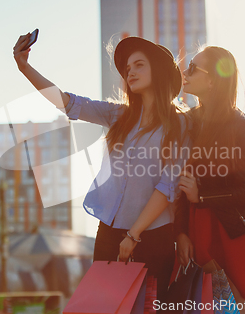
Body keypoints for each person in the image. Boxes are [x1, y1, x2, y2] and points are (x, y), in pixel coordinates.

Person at [13, 33, 190, 300]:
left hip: (154, 237)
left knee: (149, 308)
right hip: (110, 233)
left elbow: (167, 186)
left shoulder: (180, 125)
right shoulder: (119, 115)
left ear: (160, 70)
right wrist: (24, 67)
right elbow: (67, 102)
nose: (130, 72)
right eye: (128, 68)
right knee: (105, 305)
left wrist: (134, 235)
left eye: (139, 65)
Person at [174, 46, 245, 307]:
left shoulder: (241, 127)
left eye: (193, 67)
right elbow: (179, 182)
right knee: (199, 302)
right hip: (194, 225)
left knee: (230, 305)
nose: (185, 72)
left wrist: (201, 194)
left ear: (212, 81)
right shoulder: (186, 123)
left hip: (229, 230)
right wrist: (180, 233)